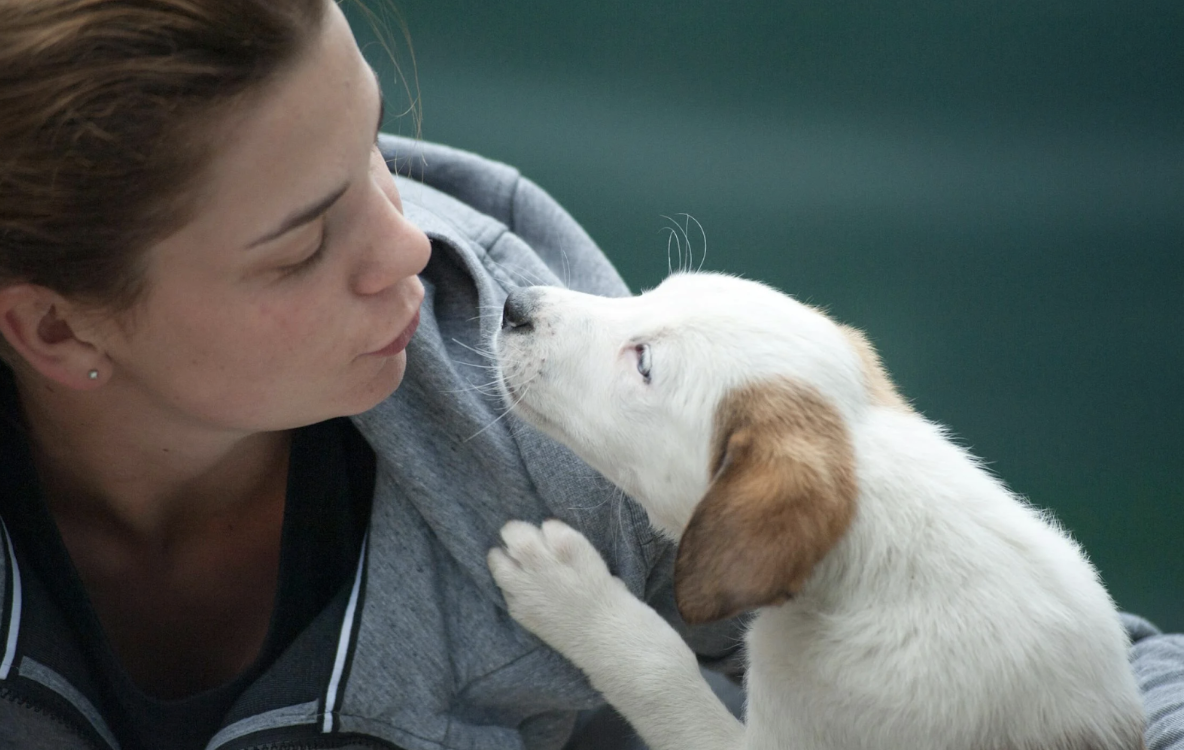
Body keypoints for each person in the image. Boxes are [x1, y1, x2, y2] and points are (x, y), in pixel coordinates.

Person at [0, 1, 1179, 749]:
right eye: (306, 244)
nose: (412, 244)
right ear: (53, 334)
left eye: (370, 142)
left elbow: (1079, 676)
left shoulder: (556, 445)